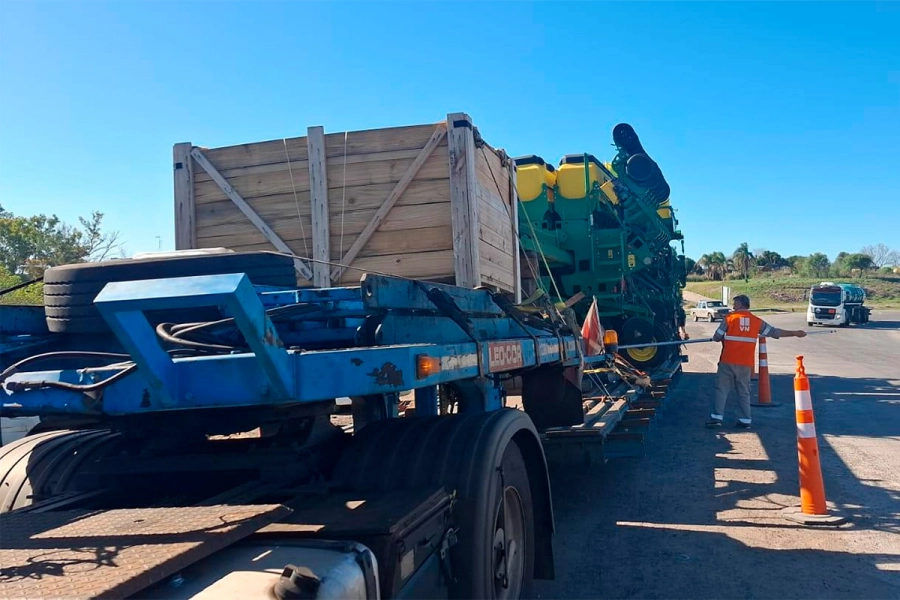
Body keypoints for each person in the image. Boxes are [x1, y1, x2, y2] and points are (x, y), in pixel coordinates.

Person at [706, 294, 806, 429]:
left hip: (727, 361)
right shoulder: (756, 321)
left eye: (735, 304)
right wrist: (795, 333)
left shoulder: (729, 319)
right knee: (744, 391)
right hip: (746, 363)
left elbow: (717, 337)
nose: (733, 306)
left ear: (740, 304)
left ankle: (717, 418)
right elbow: (774, 332)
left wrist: (722, 337)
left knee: (721, 389)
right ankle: (745, 420)